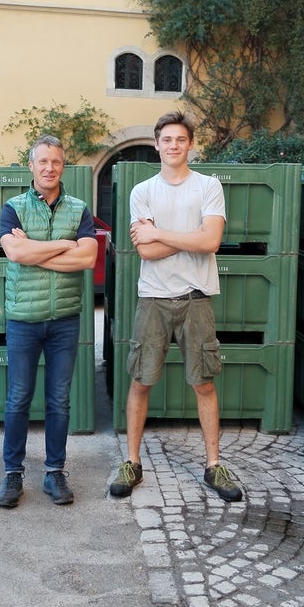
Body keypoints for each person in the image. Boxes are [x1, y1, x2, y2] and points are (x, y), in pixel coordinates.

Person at [110, 111, 243, 503]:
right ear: (156, 145)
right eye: (166, 139)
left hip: (196, 298)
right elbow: (145, 251)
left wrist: (160, 233)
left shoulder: (208, 186)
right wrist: (191, 236)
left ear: (190, 144)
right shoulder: (143, 191)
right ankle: (132, 462)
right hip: (153, 298)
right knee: (141, 380)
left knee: (204, 382)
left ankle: (214, 465)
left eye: (180, 139)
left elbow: (211, 242)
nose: (173, 145)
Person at [0, 135, 98, 509]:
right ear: (32, 166)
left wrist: (34, 251)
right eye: (43, 161)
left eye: (56, 161)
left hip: (64, 320)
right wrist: (65, 244)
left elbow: (88, 259)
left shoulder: (79, 209)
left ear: (63, 166)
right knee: (18, 398)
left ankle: (55, 472)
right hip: (23, 319)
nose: (49, 168)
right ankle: (13, 473)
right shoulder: (14, 208)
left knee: (58, 400)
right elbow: (14, 252)